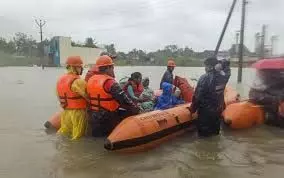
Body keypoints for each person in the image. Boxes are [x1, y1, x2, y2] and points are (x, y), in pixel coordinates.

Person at [87, 55, 140, 137]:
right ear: (108, 68)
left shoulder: (91, 79)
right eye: (112, 67)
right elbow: (124, 100)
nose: (113, 70)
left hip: (93, 116)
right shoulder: (109, 82)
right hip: (107, 117)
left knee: (97, 138)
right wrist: (136, 109)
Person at [189, 57, 231, 137]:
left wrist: (192, 109)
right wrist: (222, 64)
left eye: (206, 66)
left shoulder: (204, 78)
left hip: (205, 113)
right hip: (217, 112)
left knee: (203, 138)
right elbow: (227, 70)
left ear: (210, 67)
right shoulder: (224, 77)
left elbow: (197, 96)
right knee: (215, 135)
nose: (205, 68)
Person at [56, 56, 88, 140]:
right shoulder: (78, 81)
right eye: (80, 66)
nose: (82, 69)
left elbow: (58, 96)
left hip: (66, 112)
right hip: (78, 113)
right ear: (74, 67)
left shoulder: (60, 80)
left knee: (64, 132)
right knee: (77, 136)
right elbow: (88, 96)